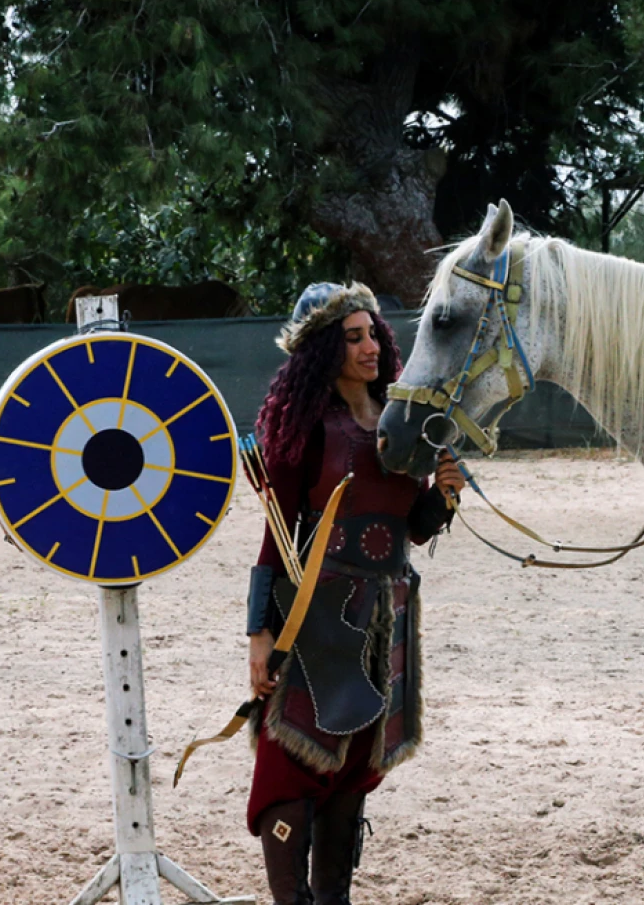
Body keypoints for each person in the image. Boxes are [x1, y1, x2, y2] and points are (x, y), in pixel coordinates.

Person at [246, 282, 464, 905]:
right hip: (312, 612)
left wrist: (443, 495)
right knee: (294, 762)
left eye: (373, 334)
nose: (371, 346)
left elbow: (412, 527)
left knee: (355, 767)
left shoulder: (402, 424)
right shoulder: (306, 429)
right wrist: (259, 634)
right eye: (353, 337)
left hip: (385, 612)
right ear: (323, 350)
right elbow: (275, 535)